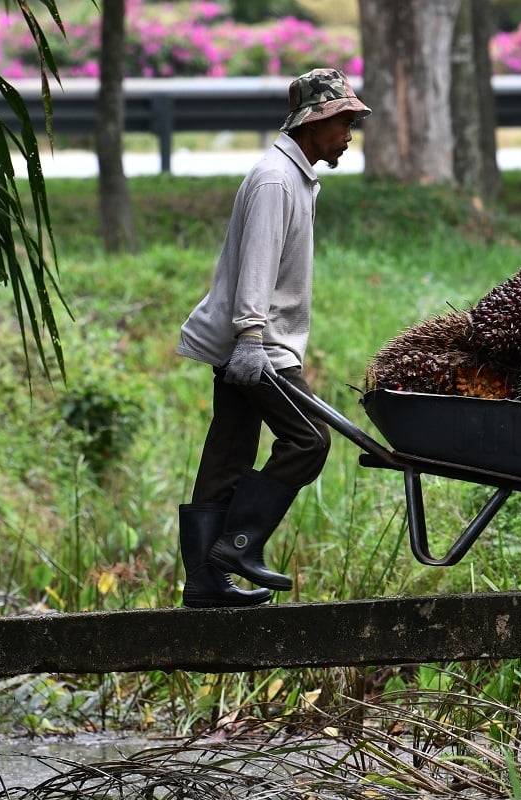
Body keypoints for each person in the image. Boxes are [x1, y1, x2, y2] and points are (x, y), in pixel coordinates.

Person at [174, 68, 371, 608]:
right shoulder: (273, 180)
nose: (350, 134)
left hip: (258, 338)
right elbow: (255, 265)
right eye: (345, 122)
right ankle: (237, 547)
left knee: (228, 455)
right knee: (309, 439)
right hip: (258, 343)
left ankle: (204, 583)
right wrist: (250, 338)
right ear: (315, 121)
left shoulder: (294, 175)